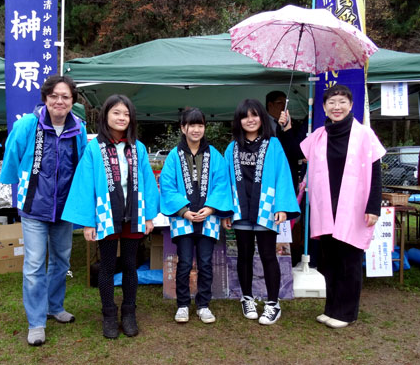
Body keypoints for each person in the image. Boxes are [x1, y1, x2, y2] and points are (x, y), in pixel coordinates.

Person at [0, 75, 88, 346]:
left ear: (73, 101)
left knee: (61, 261)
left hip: (65, 207)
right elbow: (12, 154)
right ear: (46, 98)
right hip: (34, 206)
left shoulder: (79, 128)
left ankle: (54, 306)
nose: (59, 101)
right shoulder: (28, 124)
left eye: (65, 97)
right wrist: (17, 188)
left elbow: (82, 163)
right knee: (35, 265)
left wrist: (81, 201)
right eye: (54, 96)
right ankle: (36, 322)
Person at [62, 94, 159, 339]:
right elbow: (85, 185)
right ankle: (108, 314)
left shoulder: (138, 147)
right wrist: (87, 221)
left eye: (126, 114)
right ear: (106, 115)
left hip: (134, 214)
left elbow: (148, 182)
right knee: (106, 266)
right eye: (116, 112)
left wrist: (148, 217)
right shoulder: (95, 148)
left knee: (129, 265)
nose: (122, 118)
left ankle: (128, 312)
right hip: (106, 214)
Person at [300, 84, 385, 329]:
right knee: (330, 261)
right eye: (331, 102)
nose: (337, 107)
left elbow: (376, 172)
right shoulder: (319, 135)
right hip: (326, 207)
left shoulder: (364, 134)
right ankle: (332, 308)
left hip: (354, 208)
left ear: (351, 105)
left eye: (342, 102)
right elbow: (296, 148)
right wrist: (285, 127)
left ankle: (347, 313)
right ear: (324, 107)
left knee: (349, 260)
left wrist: (373, 206)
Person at [222, 99, 300, 325]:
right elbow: (224, 181)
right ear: (239, 121)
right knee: (243, 255)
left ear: (262, 118)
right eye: (245, 116)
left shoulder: (273, 144)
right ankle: (247, 298)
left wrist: (283, 207)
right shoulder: (232, 147)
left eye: (254, 115)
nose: (250, 120)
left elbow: (283, 175)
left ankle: (273, 303)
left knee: (268, 256)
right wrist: (226, 211)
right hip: (240, 209)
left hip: (266, 209)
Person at [159, 108, 233, 324]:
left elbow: (222, 184)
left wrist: (210, 209)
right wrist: (184, 211)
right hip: (183, 218)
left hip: (208, 217)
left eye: (200, 125)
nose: (196, 129)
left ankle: (203, 305)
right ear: (183, 128)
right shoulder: (174, 156)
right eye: (192, 125)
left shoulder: (215, 155)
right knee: (183, 263)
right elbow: (167, 185)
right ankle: (182, 304)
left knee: (206, 262)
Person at [266, 90, 305, 193]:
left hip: (289, 169)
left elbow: (296, 150)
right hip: (269, 169)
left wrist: (287, 128)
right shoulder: (261, 123)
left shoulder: (293, 124)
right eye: (280, 103)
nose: (283, 106)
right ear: (270, 105)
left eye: (285, 103)